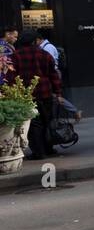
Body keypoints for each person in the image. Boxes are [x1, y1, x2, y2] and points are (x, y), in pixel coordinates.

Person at [9, 30, 62, 159]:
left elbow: (11, 77)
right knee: (46, 121)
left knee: (34, 125)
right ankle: (48, 148)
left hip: (27, 96)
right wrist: (58, 93)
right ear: (34, 41)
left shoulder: (15, 56)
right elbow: (53, 75)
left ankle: (39, 152)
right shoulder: (44, 55)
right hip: (46, 93)